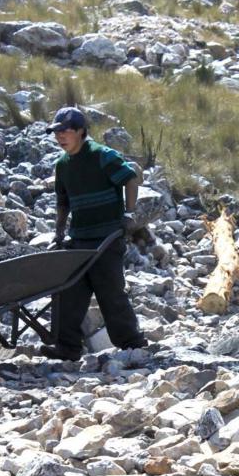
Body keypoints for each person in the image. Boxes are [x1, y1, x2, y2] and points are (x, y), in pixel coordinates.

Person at [42, 106, 147, 360]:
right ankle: (67, 347)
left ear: (80, 131)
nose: (60, 137)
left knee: (110, 291)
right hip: (79, 237)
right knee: (69, 292)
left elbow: (130, 179)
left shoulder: (102, 155)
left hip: (107, 236)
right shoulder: (63, 165)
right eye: (56, 133)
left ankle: (133, 344)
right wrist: (58, 232)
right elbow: (63, 202)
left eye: (65, 131)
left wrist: (129, 214)